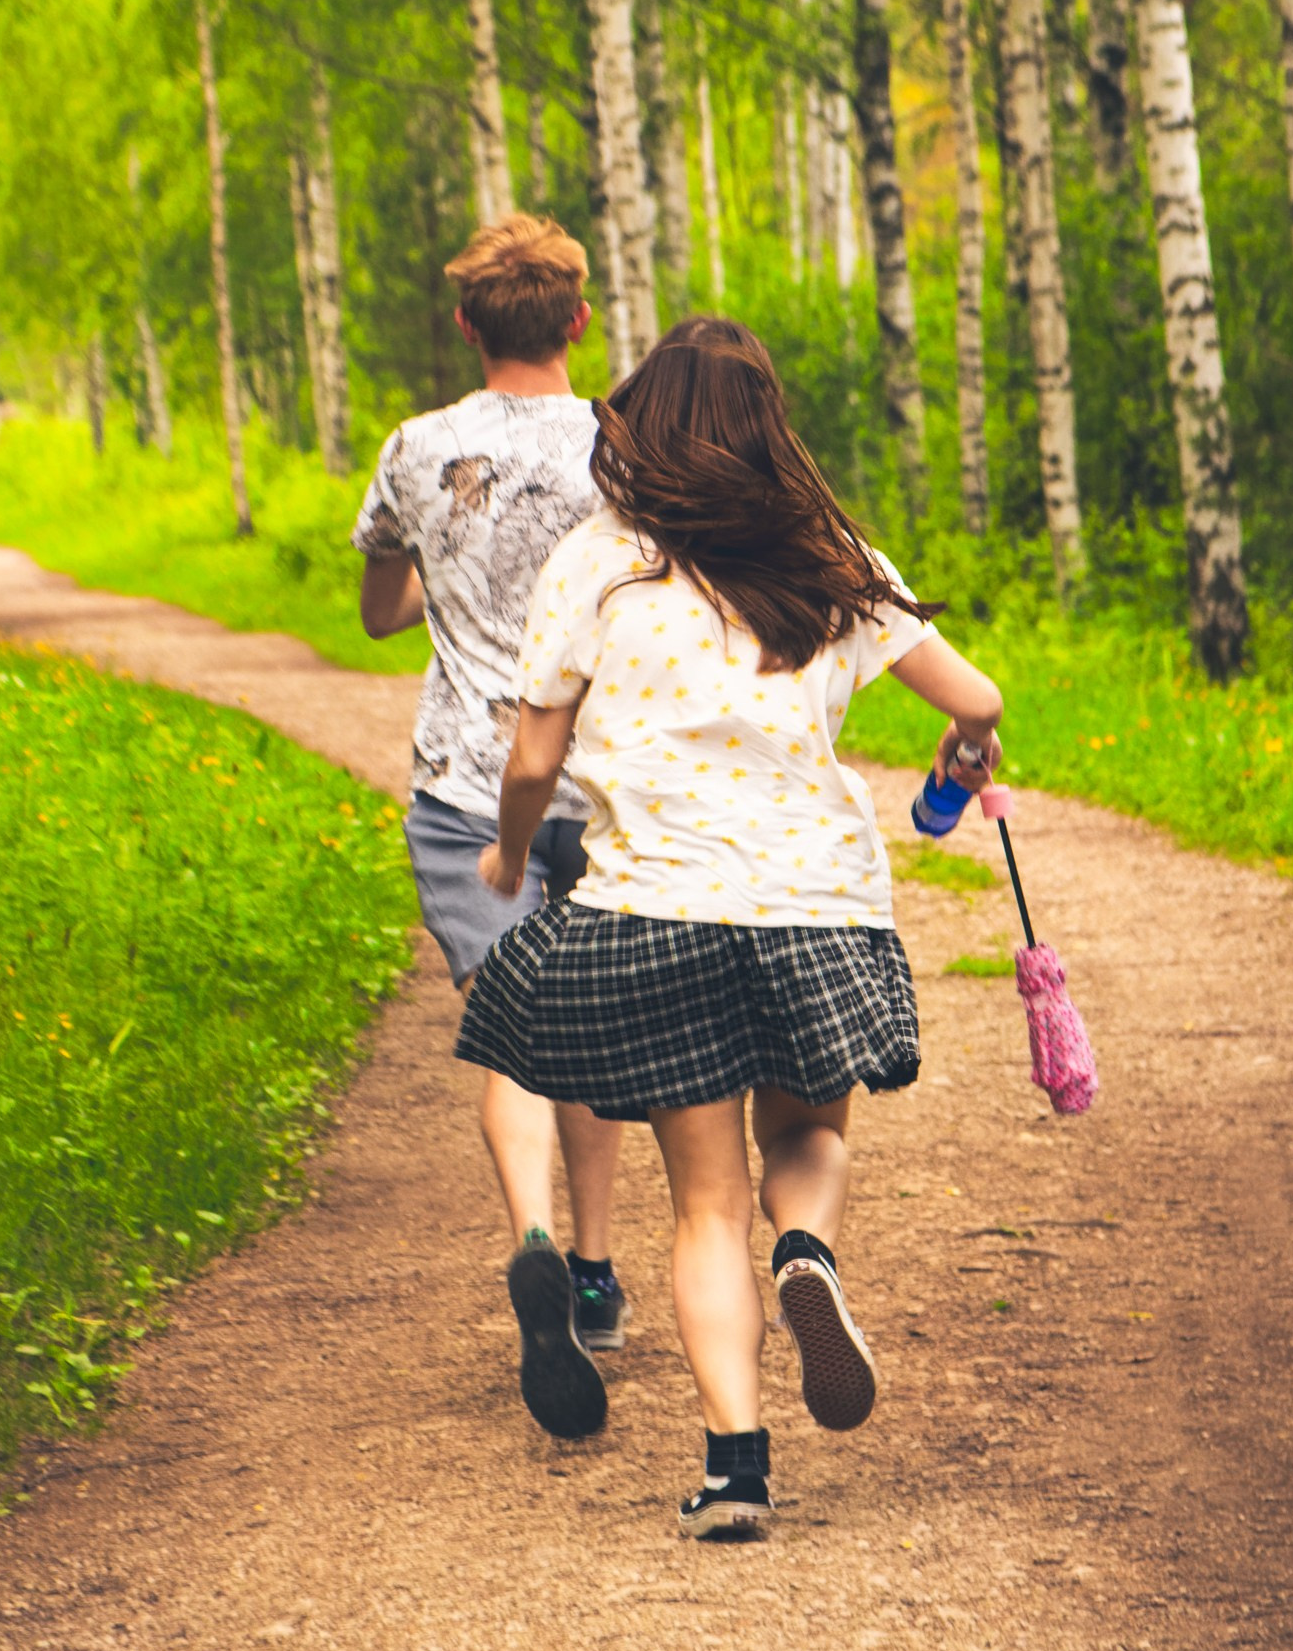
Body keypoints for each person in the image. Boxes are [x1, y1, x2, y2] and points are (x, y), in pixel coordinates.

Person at [459, 317, 1004, 1539]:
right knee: (806, 1135)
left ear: (641, 422)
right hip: (813, 906)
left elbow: (534, 754)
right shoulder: (830, 556)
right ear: (769, 428)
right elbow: (978, 701)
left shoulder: (598, 562)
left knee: (702, 1204)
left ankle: (736, 1468)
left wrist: (509, 845)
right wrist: (964, 754)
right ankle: (806, 1251)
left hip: (655, 914)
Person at [353, 211, 629, 1442]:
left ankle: (528, 1234)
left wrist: (446, 570)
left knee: (512, 1026)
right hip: (606, 787)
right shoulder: (626, 447)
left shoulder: (417, 449)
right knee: (598, 1032)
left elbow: (379, 608)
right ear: (578, 320)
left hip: (468, 792)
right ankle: (595, 1270)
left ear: (466, 326)